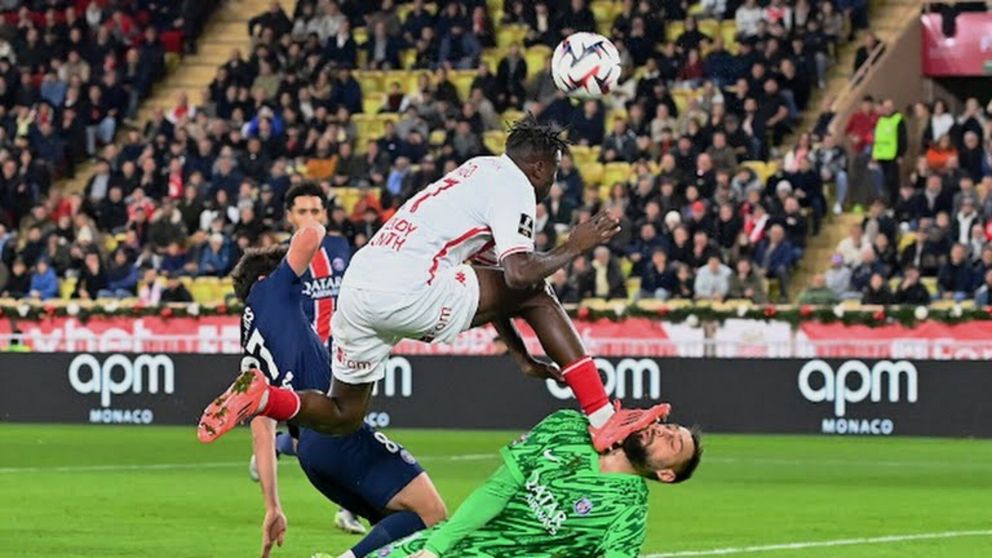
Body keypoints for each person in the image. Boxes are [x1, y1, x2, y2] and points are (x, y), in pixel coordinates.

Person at [199, 117, 670, 453]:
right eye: (555, 173)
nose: (552, 184)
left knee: (344, 413)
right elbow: (521, 277)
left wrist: (521, 356)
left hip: (361, 284)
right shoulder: (516, 187)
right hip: (409, 284)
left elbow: (496, 283)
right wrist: (575, 245)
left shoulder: (478, 172)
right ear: (542, 167)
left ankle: (264, 398)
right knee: (537, 290)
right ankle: (604, 417)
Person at [219, 227, 447, 558]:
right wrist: (293, 244)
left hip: (313, 459)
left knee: (401, 527)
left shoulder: (251, 340)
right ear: (267, 277)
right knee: (432, 514)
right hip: (334, 432)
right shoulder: (272, 289)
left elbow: (261, 431)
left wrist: (273, 506)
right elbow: (312, 234)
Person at [315, 408, 699, 558]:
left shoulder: (628, 517)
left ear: (667, 474)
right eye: (666, 427)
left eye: (673, 442)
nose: (662, 432)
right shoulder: (568, 426)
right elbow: (497, 491)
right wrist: (434, 550)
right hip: (439, 546)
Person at [245, 184, 366, 536]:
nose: (310, 219)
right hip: (303, 361)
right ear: (289, 216)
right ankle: (282, 446)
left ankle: (349, 509)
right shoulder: (282, 264)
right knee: (321, 436)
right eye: (302, 212)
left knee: (347, 428)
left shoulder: (342, 247)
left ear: (325, 214)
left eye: (316, 211)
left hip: (342, 353)